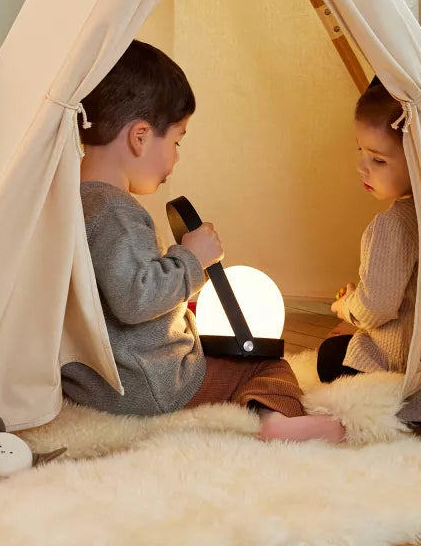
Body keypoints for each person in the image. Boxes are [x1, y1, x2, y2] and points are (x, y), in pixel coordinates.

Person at [61, 40, 345, 443]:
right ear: (140, 137)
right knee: (263, 364)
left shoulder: (70, 202)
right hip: (148, 383)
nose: (175, 159)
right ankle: (276, 422)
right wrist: (191, 259)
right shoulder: (116, 211)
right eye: (176, 141)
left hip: (90, 381)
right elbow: (135, 298)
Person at [316, 77, 421, 423]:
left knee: (328, 355)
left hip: (413, 378)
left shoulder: (392, 225)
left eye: (378, 160)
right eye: (360, 152)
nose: (362, 167)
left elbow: (376, 309)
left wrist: (345, 306)